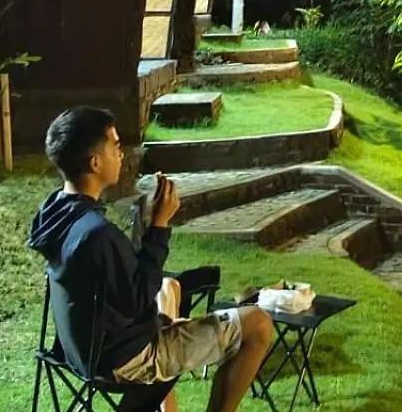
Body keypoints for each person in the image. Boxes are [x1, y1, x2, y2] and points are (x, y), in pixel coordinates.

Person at [27, 106, 274, 412]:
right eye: (116, 146)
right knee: (258, 323)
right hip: (129, 359)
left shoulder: (56, 213)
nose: (121, 154)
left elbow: (125, 288)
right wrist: (159, 225)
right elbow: (138, 298)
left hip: (82, 352)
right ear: (95, 162)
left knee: (170, 289)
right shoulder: (95, 233)